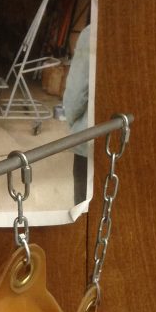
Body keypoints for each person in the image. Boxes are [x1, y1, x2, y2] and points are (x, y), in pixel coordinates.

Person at [62, 24, 91, 205]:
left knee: (84, 208)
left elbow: (77, 93)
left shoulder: (92, 33)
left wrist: (73, 122)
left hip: (90, 139)